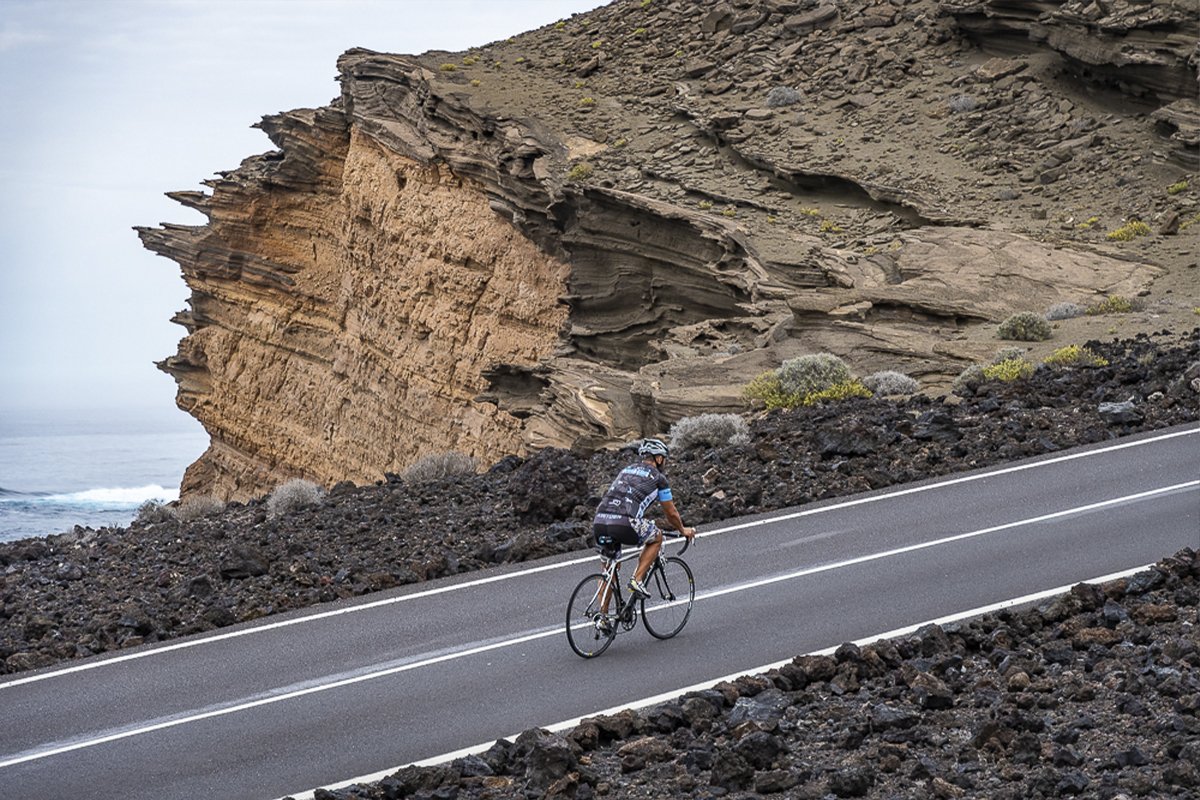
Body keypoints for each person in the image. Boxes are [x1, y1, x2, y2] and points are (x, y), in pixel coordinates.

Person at [592, 438, 696, 602]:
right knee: (657, 537)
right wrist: (683, 530)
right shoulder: (659, 478)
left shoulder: (626, 470)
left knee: (609, 572)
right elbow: (671, 512)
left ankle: (603, 620)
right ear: (659, 458)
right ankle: (637, 579)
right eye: (665, 459)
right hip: (624, 523)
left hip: (600, 521)